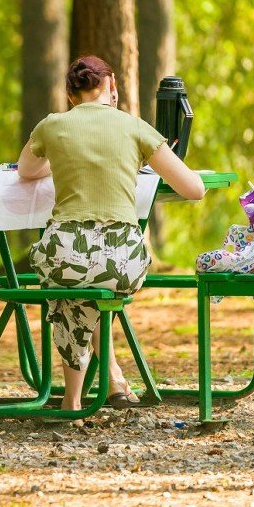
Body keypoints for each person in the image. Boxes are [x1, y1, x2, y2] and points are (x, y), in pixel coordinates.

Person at [18, 55, 204, 410]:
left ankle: (73, 400)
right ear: (112, 84)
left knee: (69, 290)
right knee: (92, 286)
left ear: (71, 95)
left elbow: (26, 171)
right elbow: (194, 189)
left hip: (65, 253)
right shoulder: (135, 127)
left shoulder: (53, 125)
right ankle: (110, 383)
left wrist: (61, 157)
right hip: (123, 260)